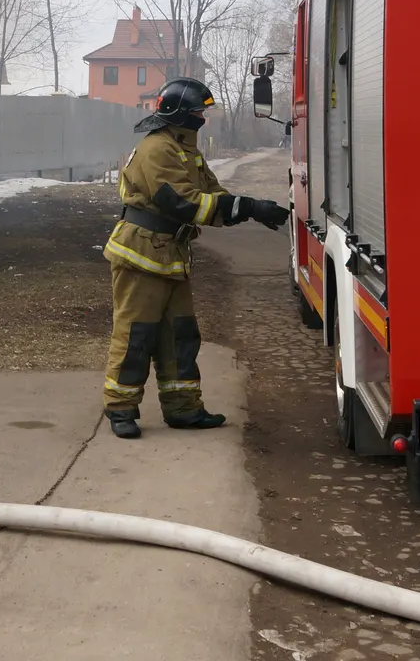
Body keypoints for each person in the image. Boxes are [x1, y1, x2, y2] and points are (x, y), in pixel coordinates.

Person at [101, 77, 290, 439]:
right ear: (180, 114)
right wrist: (247, 207)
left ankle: (183, 408)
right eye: (198, 112)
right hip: (141, 253)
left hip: (169, 253)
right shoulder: (157, 149)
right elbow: (183, 201)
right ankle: (121, 407)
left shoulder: (186, 151)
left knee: (180, 335)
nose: (203, 118)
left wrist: (248, 209)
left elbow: (211, 194)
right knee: (136, 335)